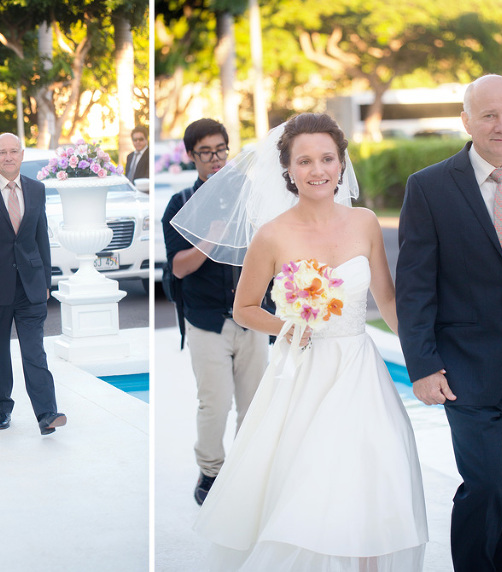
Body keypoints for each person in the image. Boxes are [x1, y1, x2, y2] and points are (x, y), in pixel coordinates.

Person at [174, 113, 427, 570]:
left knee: (370, 472)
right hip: (302, 371)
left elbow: (387, 300)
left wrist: (423, 359)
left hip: (360, 370)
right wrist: (290, 326)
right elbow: (244, 308)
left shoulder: (365, 221)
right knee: (308, 480)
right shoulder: (271, 234)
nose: (318, 170)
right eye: (305, 160)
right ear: (288, 169)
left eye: (327, 158)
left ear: (341, 162)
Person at [396, 74, 502, 571]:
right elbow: (414, 287)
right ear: (466, 121)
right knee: (488, 485)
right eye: (489, 115)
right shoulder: (430, 187)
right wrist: (422, 365)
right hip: (465, 370)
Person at [161, 118, 268, 505]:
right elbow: (178, 267)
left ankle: (246, 469)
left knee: (255, 402)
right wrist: (212, 240)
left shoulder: (251, 196)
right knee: (215, 402)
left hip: (251, 316)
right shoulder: (181, 204)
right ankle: (211, 472)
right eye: (206, 152)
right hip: (206, 321)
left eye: (221, 149)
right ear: (192, 157)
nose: (216, 158)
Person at [0, 133, 66, 435]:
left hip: (30, 286)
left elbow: (40, 237)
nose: (8, 157)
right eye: (2, 152)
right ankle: (2, 408)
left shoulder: (37, 189)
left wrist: (46, 280)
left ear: (21, 155)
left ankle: (47, 414)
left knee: (35, 352)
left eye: (13, 151)